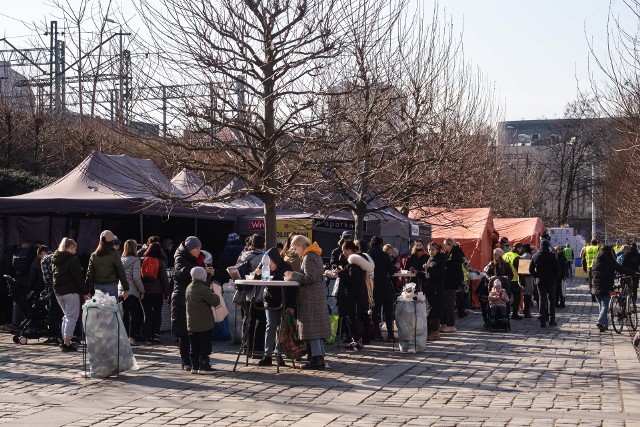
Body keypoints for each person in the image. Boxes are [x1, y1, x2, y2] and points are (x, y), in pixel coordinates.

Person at [284, 235, 331, 370]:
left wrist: (293, 275)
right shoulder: (315, 254)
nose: (295, 251)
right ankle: (319, 357)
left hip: (310, 298)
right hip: (317, 297)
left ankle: (316, 359)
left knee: (312, 330)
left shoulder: (308, 257)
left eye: (295, 248)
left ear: (301, 246)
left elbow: (309, 277)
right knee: (316, 329)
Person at [172, 236, 212, 371]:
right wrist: (197, 271)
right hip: (182, 297)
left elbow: (199, 279)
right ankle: (186, 361)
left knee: (194, 331)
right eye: (196, 248)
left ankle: (197, 361)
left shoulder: (195, 258)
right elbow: (180, 273)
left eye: (200, 248)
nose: (198, 251)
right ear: (189, 249)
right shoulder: (180, 258)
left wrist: (207, 274)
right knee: (184, 331)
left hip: (193, 297)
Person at [256, 247, 294, 366]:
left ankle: (279, 354)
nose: (269, 266)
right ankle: (267, 355)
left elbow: (292, 288)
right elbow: (257, 279)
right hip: (269, 299)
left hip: (284, 300)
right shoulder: (264, 265)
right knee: (270, 325)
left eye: (271, 264)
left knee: (281, 328)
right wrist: (257, 274)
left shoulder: (286, 266)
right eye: (267, 264)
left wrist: (291, 305)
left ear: (276, 260)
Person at [51, 238, 91, 352]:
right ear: (71, 247)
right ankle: (67, 342)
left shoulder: (55, 259)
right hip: (71, 291)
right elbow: (78, 278)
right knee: (71, 317)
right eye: (75, 248)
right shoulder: (73, 259)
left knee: (66, 316)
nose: (76, 250)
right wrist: (85, 291)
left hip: (59, 292)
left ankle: (64, 340)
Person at [335, 241, 373, 351]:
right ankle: (357, 340)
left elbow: (353, 279)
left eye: (344, 250)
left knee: (353, 319)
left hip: (353, 297)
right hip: (357, 296)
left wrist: (340, 273)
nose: (343, 252)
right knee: (354, 318)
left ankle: (357, 341)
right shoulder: (357, 262)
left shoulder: (354, 263)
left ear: (349, 250)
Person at [590, 245, 638, 332]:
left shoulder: (596, 261)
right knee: (605, 306)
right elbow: (621, 268)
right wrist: (634, 273)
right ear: (610, 252)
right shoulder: (610, 260)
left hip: (595, 287)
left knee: (601, 306)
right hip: (606, 286)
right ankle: (600, 322)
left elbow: (592, 274)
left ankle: (605, 325)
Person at [185, 266, 220, 374]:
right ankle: (204, 366)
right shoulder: (203, 289)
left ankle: (194, 366)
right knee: (204, 345)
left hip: (191, 323)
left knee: (194, 346)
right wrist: (215, 294)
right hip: (204, 323)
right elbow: (215, 301)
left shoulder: (189, 287)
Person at [368, 236, 398, 341]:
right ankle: (390, 334)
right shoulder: (384, 255)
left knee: (375, 311)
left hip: (372, 286)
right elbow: (392, 271)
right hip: (384, 286)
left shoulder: (367, 255)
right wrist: (395, 267)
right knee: (388, 311)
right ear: (381, 245)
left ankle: (377, 334)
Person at [141, 242, 171, 344]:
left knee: (147, 314)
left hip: (145, 292)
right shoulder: (161, 262)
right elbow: (164, 280)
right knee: (157, 313)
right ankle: (156, 335)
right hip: (157, 292)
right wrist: (167, 294)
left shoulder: (143, 261)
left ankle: (147, 336)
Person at [86, 230, 129, 299]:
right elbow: (121, 272)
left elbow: (89, 274)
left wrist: (86, 291)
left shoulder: (94, 255)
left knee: (99, 308)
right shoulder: (115, 255)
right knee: (112, 308)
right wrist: (125, 289)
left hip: (98, 287)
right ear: (112, 241)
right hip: (111, 286)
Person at [119, 239, 146, 344]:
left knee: (124, 314)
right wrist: (142, 290)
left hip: (121, 290)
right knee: (137, 313)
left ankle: (125, 336)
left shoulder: (120, 259)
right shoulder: (135, 260)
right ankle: (132, 336)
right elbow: (136, 277)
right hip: (131, 290)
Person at [529, 240, 560, 327]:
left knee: (542, 300)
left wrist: (537, 276)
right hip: (551, 281)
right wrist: (554, 277)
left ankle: (543, 321)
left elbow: (530, 270)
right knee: (552, 300)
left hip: (540, 281)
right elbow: (557, 269)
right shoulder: (552, 256)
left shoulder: (535, 256)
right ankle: (552, 320)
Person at [424, 242, 446, 341]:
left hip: (437, 289)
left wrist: (429, 269)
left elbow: (439, 275)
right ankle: (431, 331)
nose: (430, 251)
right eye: (429, 249)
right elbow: (428, 274)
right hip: (430, 288)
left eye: (432, 249)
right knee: (429, 309)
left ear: (437, 250)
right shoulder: (429, 259)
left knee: (435, 310)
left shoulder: (440, 260)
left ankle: (435, 332)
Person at [442, 238, 464, 333]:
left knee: (449, 303)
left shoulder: (455, 253)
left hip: (451, 282)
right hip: (449, 281)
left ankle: (451, 325)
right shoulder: (451, 253)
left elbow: (451, 266)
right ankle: (446, 323)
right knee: (446, 302)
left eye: (445, 245)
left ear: (450, 244)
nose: (444, 246)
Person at [502, 242, 523, 320]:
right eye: (521, 249)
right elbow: (521, 271)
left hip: (505, 279)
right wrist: (523, 282)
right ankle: (515, 314)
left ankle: (505, 313)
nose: (521, 250)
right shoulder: (517, 257)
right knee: (517, 297)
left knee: (506, 297)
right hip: (514, 280)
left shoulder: (505, 255)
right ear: (518, 248)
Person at [520, 244, 535, 318]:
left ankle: (526, 310)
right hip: (527, 278)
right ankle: (527, 311)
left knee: (526, 294)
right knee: (528, 294)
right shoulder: (527, 256)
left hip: (525, 277)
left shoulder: (524, 255)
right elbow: (524, 270)